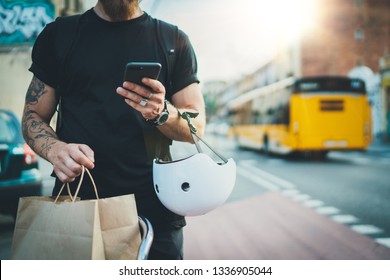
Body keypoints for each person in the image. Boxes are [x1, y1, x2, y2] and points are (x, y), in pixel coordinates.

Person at [21, 0, 205, 260]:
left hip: (157, 213)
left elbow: (196, 126)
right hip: (78, 209)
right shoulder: (59, 34)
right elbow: (32, 115)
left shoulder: (172, 40)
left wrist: (162, 111)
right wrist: (55, 149)